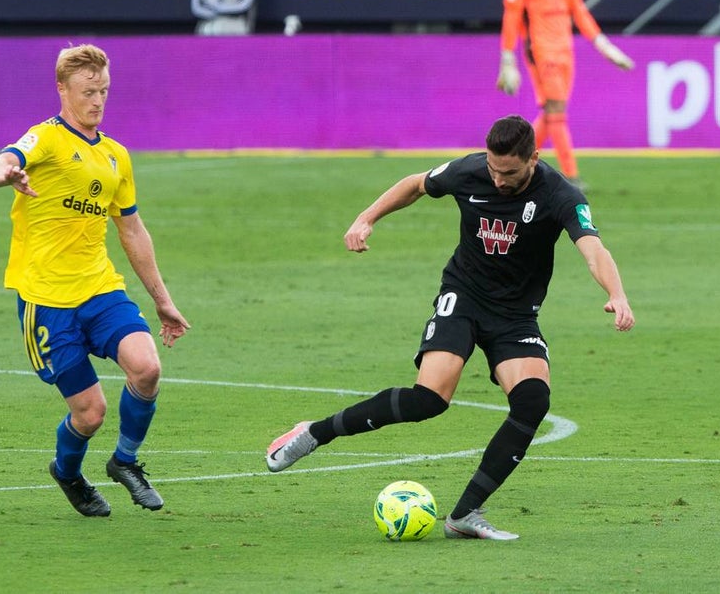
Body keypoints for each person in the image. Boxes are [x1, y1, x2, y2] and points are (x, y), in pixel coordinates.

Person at [266, 115, 634, 541]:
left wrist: (617, 294)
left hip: (515, 315)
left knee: (533, 400)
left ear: (533, 158)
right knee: (429, 400)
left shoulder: (560, 194)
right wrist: (366, 218)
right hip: (464, 297)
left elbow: (593, 249)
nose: (498, 180)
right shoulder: (470, 170)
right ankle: (314, 433)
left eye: (509, 173)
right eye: (493, 170)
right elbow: (415, 185)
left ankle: (464, 515)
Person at [0, 43, 190, 517]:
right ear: (62, 89)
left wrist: (162, 300)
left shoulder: (116, 156)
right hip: (47, 299)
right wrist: (6, 175)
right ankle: (68, 472)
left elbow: (132, 230)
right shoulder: (45, 139)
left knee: (147, 368)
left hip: (99, 288)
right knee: (90, 413)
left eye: (104, 91)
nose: (97, 101)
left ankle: (125, 461)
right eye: (87, 92)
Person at [497, 0, 635, 190]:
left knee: (552, 114)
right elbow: (511, 18)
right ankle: (571, 175)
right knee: (557, 111)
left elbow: (579, 12)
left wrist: (603, 45)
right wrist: (507, 58)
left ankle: (513, 162)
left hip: (565, 51)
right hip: (540, 50)